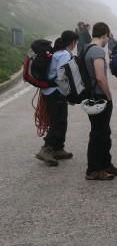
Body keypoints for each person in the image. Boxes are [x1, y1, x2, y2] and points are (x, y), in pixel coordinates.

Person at [82, 22, 117, 181]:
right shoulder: (98, 50)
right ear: (105, 34)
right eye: (108, 36)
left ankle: (106, 164)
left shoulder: (85, 48)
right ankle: (94, 169)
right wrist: (109, 95)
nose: (108, 40)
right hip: (100, 97)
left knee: (103, 132)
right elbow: (100, 77)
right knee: (99, 133)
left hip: (90, 95)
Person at [35, 30, 79, 166]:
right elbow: (63, 77)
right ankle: (47, 149)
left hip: (49, 90)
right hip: (56, 91)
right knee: (59, 122)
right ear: (73, 42)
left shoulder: (57, 52)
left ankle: (58, 148)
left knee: (58, 120)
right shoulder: (65, 54)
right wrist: (69, 95)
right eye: (75, 42)